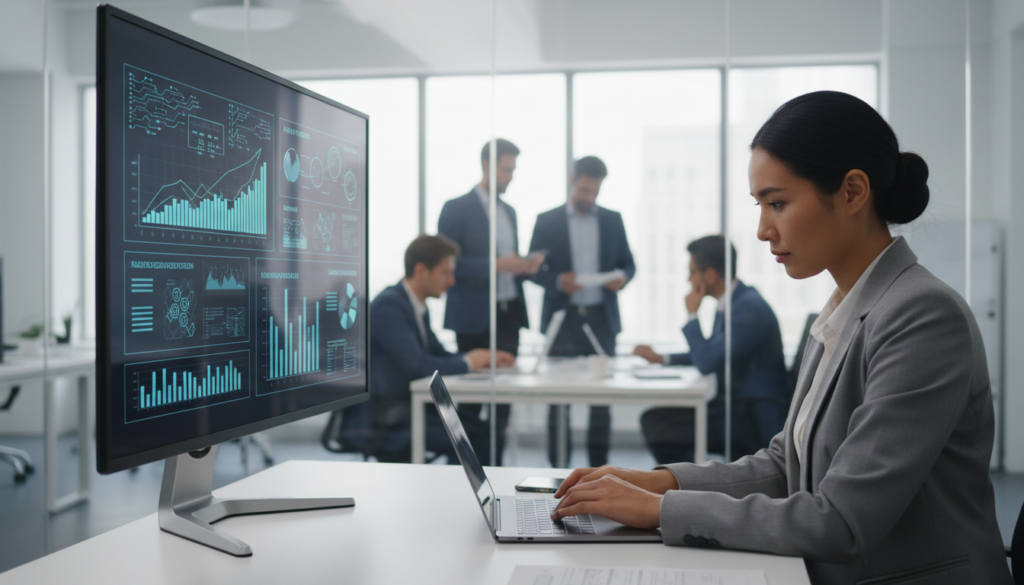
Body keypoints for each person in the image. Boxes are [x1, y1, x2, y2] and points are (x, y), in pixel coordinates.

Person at [549, 91, 1012, 584]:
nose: (762, 230)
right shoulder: (843, 309)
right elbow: (783, 464)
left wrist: (660, 508)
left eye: (778, 203)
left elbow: (840, 520)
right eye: (760, 205)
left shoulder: (921, 316)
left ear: (854, 192)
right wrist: (656, 481)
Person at [337, 234, 514, 463]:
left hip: (410, 409)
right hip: (388, 419)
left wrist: (482, 357)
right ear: (421, 271)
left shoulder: (415, 305)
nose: (452, 281)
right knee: (478, 438)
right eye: (445, 273)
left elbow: (438, 354)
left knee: (488, 432)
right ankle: (465, 496)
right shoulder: (389, 306)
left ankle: (466, 494)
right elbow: (416, 365)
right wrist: (470, 362)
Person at [632, 235, 788, 464]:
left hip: (749, 417)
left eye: (692, 271)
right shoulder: (734, 302)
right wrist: (661, 358)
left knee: (661, 432)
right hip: (734, 406)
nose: (689, 279)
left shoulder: (749, 309)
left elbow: (707, 361)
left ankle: (685, 488)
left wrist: (692, 315)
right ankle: (686, 486)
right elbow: (713, 352)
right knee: (652, 419)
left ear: (711, 275)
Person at [437, 139, 543, 466]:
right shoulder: (456, 208)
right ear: (486, 165)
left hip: (509, 312)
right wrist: (496, 264)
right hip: (473, 317)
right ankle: (463, 471)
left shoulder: (509, 211)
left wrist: (524, 266)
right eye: (506, 169)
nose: (510, 177)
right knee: (469, 402)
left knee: (503, 403)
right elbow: (449, 264)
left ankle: (494, 470)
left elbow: (508, 265)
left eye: (513, 170)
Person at [528, 156, 636, 467]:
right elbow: (532, 270)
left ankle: (599, 472)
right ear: (572, 181)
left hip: (602, 317)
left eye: (595, 192)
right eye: (585, 190)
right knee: (557, 401)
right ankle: (558, 472)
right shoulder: (546, 221)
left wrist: (623, 278)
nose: (590, 198)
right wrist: (558, 281)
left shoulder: (613, 220)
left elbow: (629, 264)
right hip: (563, 319)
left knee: (601, 402)